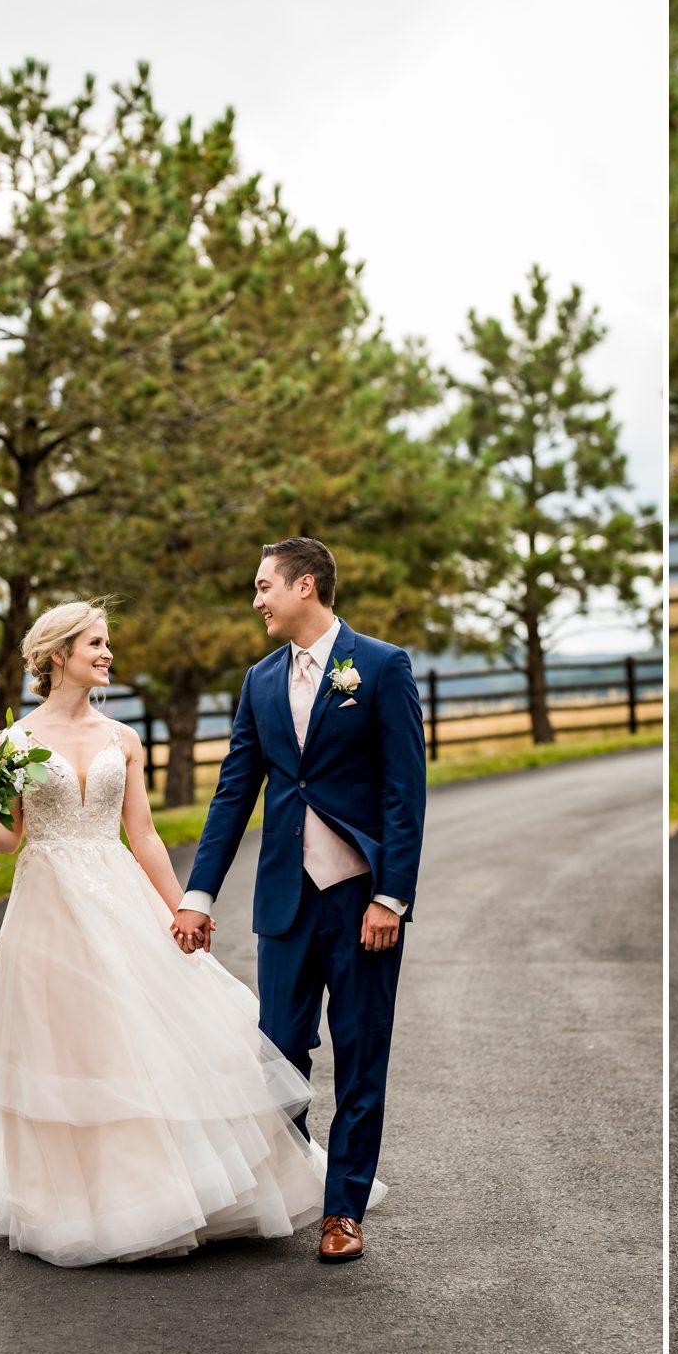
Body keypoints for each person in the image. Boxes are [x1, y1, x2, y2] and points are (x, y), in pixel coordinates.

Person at [0, 599, 363, 1267]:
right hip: (50, 905)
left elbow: (143, 835)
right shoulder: (11, 744)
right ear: (58, 653)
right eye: (95, 643)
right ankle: (82, 1204)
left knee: (144, 1035)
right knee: (76, 1046)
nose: (108, 654)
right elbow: (11, 840)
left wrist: (185, 907)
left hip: (119, 892)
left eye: (108, 643)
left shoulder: (123, 738)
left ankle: (171, 1193)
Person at [172, 538, 427, 1265]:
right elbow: (233, 794)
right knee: (279, 1052)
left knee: (360, 1053)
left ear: (304, 586)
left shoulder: (381, 667)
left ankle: (343, 1210)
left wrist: (392, 897)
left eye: (264, 587)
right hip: (285, 897)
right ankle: (300, 1177)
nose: (256, 601)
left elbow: (404, 795)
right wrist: (197, 893)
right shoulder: (258, 681)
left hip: (362, 900)